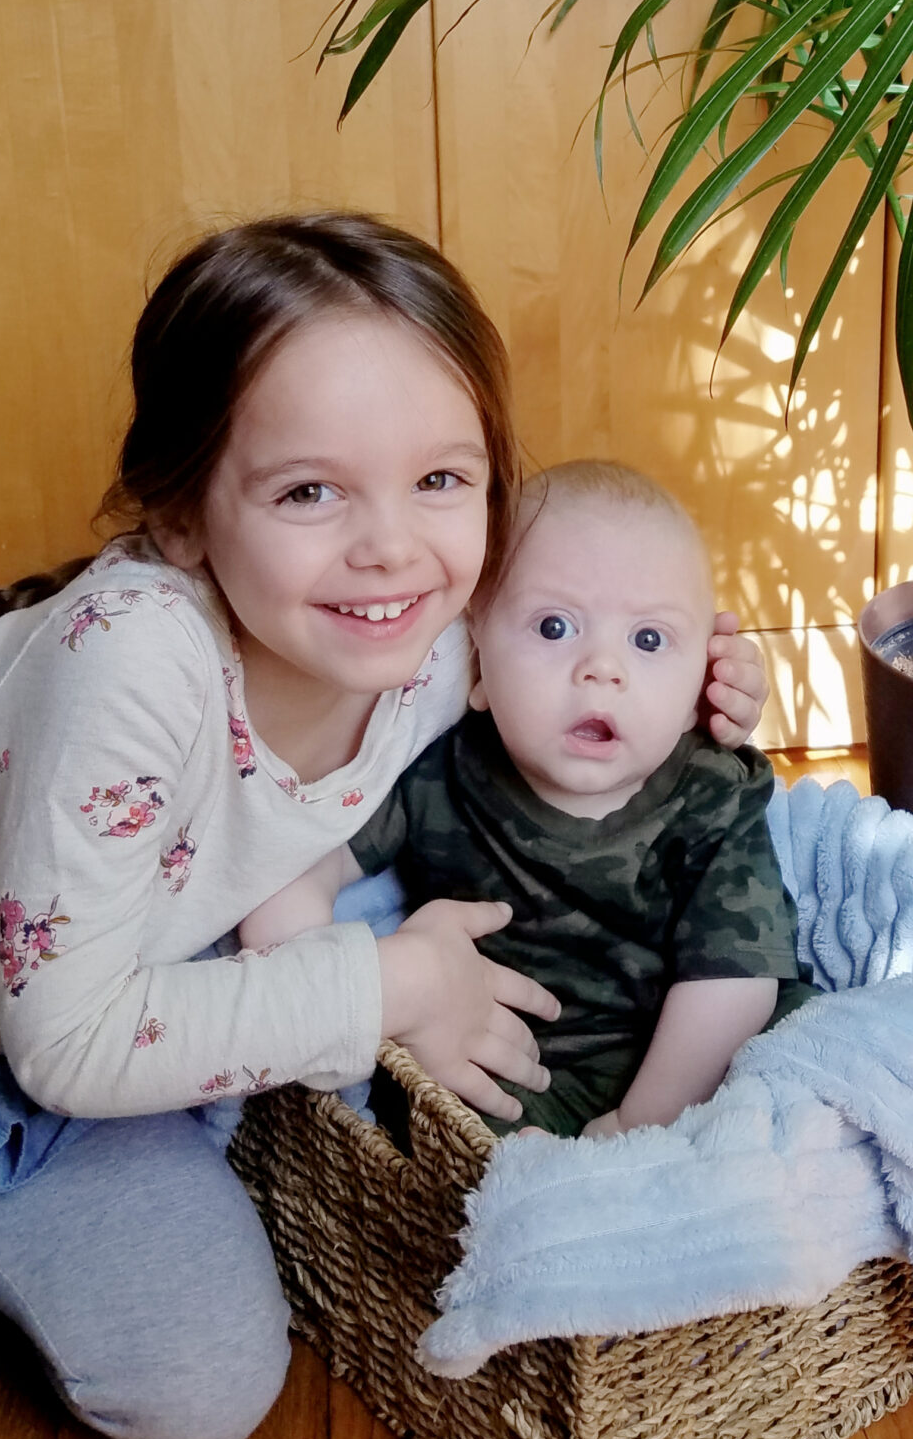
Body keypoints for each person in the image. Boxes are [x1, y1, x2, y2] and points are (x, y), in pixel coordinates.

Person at [0, 213, 768, 1439]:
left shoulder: (432, 645)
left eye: (444, 479)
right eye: (310, 493)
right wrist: (389, 982)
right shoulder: (127, 659)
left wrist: (718, 677)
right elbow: (72, 1037)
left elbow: (597, 629)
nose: (391, 549)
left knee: (204, 1392)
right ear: (185, 517)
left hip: (67, 1069)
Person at [242, 460, 806, 1139]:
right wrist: (311, 968)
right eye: (552, 628)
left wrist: (641, 1120)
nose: (602, 667)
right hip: (513, 1069)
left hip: (691, 1063)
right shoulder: (444, 770)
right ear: (476, 666)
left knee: (800, 1067)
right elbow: (309, 859)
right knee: (441, 1136)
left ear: (701, 688)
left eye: (649, 640)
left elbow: (733, 981)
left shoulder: (710, 798)